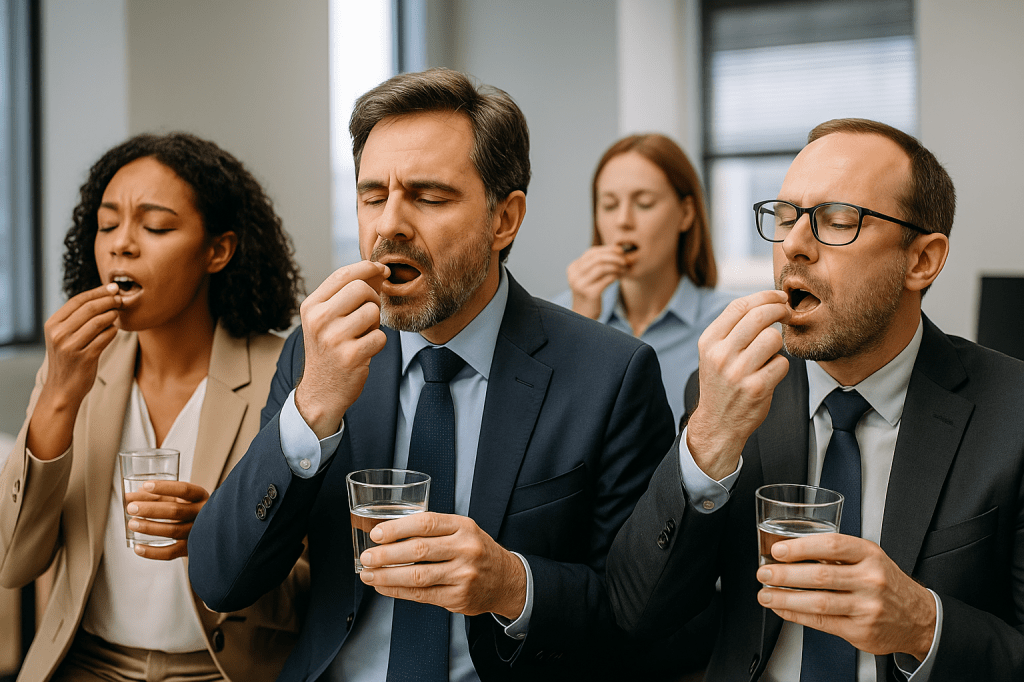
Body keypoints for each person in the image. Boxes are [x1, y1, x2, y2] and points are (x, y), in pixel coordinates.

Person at [187, 68, 675, 682]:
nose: (388, 225)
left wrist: (513, 585)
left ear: (505, 219)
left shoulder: (611, 375)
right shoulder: (317, 357)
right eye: (372, 196)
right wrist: (312, 407)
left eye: (428, 197)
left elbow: (644, 622)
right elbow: (221, 579)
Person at [607, 118, 1024, 681]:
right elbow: (636, 613)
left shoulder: (1011, 414)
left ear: (921, 260)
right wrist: (708, 436)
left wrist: (923, 625)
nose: (793, 246)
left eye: (837, 221)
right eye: (785, 218)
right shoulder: (736, 391)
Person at [0, 133, 308, 681]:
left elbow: (318, 590)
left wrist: (219, 541)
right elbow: (14, 561)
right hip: (87, 666)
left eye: (156, 227)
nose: (121, 245)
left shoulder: (286, 377)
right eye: (107, 224)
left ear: (218, 251)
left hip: (222, 672)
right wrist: (58, 399)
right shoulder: (74, 371)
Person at [554, 134, 735, 423]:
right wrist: (581, 326)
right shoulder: (561, 317)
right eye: (609, 205)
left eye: (644, 203)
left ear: (686, 214)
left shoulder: (728, 326)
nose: (623, 221)